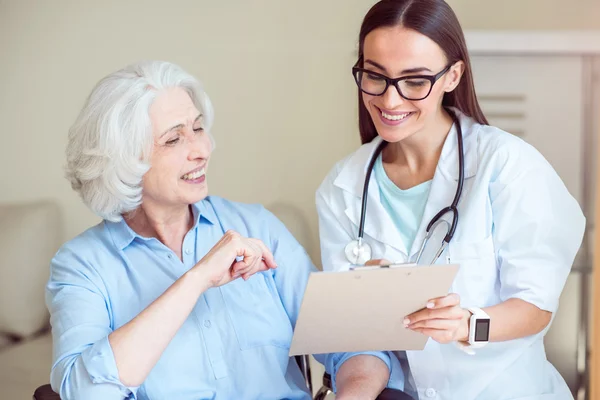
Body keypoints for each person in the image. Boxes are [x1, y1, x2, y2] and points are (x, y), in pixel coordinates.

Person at [46, 60, 405, 400]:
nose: (201, 149)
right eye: (174, 139)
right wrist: (198, 278)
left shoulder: (256, 225)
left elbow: (354, 341)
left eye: (198, 128)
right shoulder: (82, 265)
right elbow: (84, 390)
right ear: (123, 160)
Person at [315, 1, 585, 399]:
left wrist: (466, 323)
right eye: (376, 77)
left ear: (452, 75)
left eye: (415, 81)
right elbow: (357, 336)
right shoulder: (343, 186)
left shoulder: (504, 164)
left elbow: (535, 306)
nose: (390, 101)